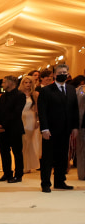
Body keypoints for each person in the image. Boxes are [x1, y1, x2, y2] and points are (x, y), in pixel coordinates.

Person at [37, 63, 79, 191]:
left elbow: (74, 109)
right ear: (54, 75)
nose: (62, 75)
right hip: (50, 130)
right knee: (48, 158)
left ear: (68, 74)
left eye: (64, 73)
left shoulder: (71, 89)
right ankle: (45, 183)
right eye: (59, 73)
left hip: (66, 130)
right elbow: (42, 111)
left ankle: (60, 181)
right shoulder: (46, 91)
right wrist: (44, 129)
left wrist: (75, 127)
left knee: (62, 156)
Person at [0, 76, 27, 182]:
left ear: (11, 82)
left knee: (17, 152)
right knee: (4, 152)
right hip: (2, 129)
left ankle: (18, 175)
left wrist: (2, 125)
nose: (2, 84)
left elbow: (16, 113)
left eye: (4, 82)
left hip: (14, 128)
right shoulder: (3, 96)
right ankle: (7, 173)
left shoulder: (20, 95)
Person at [19, 75, 41, 174]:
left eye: (29, 82)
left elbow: (37, 109)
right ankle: (24, 164)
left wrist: (37, 120)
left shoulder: (35, 94)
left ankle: (26, 166)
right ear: (22, 83)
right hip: (20, 119)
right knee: (22, 143)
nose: (28, 84)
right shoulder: (19, 94)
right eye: (26, 82)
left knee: (28, 141)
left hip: (30, 118)